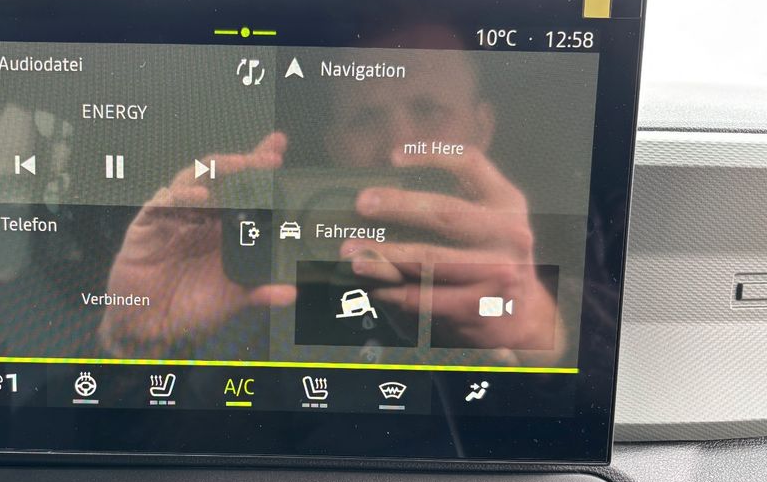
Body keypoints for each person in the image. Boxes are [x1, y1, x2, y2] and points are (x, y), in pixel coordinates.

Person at [99, 46, 566, 367]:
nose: (398, 144)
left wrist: (540, 330)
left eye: (428, 109)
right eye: (365, 119)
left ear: (481, 127)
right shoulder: (265, 286)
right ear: (335, 145)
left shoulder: (559, 255)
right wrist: (132, 338)